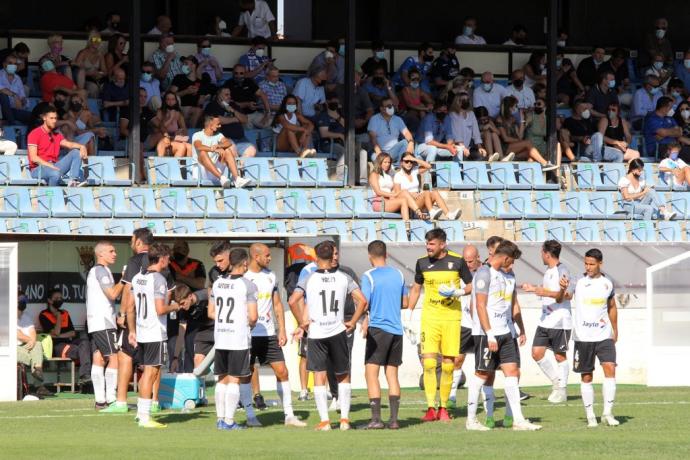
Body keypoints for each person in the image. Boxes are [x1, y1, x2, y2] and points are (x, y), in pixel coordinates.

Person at [291, 242, 368, 431]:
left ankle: (325, 421)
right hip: (338, 331)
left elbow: (293, 300)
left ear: (316, 257)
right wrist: (354, 320)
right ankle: (344, 420)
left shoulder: (309, 278)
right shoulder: (344, 278)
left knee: (320, 375)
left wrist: (302, 322)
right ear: (331, 257)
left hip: (317, 333)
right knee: (343, 374)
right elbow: (363, 301)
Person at [466, 240, 541, 431]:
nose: (513, 265)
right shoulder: (484, 273)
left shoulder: (509, 275)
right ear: (505, 257)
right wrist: (489, 334)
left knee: (512, 373)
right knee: (482, 374)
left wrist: (520, 328)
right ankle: (471, 420)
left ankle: (518, 420)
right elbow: (480, 305)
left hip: (507, 332)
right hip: (486, 333)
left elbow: (513, 304)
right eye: (512, 261)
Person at [102, 228, 175, 414]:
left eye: (132, 240)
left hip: (139, 325)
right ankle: (153, 403)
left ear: (140, 242)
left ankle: (122, 402)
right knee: (153, 368)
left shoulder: (136, 266)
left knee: (127, 356)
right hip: (156, 326)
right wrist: (173, 306)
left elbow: (129, 292)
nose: (131, 244)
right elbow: (169, 293)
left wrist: (124, 316)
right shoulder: (163, 272)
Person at [407, 228, 473, 423]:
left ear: (442, 244)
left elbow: (470, 285)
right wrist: (409, 313)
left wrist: (457, 293)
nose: (428, 247)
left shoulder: (457, 261)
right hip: (430, 318)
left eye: (432, 244)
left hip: (451, 318)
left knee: (448, 366)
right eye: (427, 243)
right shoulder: (422, 263)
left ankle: (443, 407)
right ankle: (430, 407)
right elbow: (417, 288)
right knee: (428, 363)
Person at [244, 243, 306, 427]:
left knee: (282, 371)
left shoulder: (271, 276)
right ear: (256, 256)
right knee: (245, 375)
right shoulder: (244, 277)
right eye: (267, 255)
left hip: (269, 333)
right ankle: (250, 415)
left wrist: (282, 330)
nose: (270, 258)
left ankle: (289, 415)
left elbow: (277, 304)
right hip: (248, 335)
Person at [130, 243, 183, 429]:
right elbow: (160, 309)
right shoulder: (159, 279)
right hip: (154, 331)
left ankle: (140, 413)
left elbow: (131, 306)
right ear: (161, 259)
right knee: (151, 373)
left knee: (147, 372)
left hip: (143, 330)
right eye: (168, 258)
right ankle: (144, 416)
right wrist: (175, 306)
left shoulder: (137, 278)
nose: (169, 261)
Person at [567, 249, 619, 427]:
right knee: (587, 377)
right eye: (586, 263)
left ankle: (607, 413)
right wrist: (561, 288)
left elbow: (611, 306)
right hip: (583, 337)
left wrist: (615, 329)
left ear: (600, 264)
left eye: (592, 264)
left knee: (610, 369)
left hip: (604, 335)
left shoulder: (608, 282)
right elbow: (564, 296)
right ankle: (590, 416)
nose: (588, 267)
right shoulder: (577, 281)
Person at [209, 247, 260, 430]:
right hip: (238, 338)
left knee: (221, 379)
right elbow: (253, 317)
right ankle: (230, 421)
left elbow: (211, 312)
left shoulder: (217, 283)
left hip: (221, 336)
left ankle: (220, 419)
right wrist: (244, 322)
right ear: (245, 263)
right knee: (234, 379)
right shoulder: (248, 285)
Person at [360, 240, 407, 430]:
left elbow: (364, 302)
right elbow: (404, 303)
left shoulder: (368, 276)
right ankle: (394, 420)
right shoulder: (399, 274)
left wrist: (364, 318)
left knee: (371, 373)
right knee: (392, 374)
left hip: (378, 329)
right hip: (397, 330)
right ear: (386, 255)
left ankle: (376, 419)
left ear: (370, 256)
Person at [521, 240, 573, 405]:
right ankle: (556, 383)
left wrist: (540, 291)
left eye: (541, 252)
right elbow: (551, 292)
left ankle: (562, 390)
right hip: (545, 320)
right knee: (536, 353)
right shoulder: (548, 271)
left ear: (547, 253)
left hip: (560, 321)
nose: (540, 255)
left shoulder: (562, 270)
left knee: (560, 356)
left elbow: (565, 295)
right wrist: (535, 288)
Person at [86, 241, 124, 410]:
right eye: (111, 251)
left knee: (99, 358)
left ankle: (100, 400)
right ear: (100, 254)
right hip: (103, 322)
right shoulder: (100, 270)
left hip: (96, 321)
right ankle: (111, 399)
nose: (114, 254)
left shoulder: (99, 270)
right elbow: (113, 293)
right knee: (113, 357)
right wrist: (125, 279)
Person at [447, 244, 481, 407]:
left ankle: (483, 394)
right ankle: (452, 395)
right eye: (465, 261)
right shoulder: (459, 274)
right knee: (458, 359)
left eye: (470, 261)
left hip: (482, 323)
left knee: (482, 361)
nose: (467, 264)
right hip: (465, 323)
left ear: (478, 258)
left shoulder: (485, 272)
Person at [38, 288, 92, 384]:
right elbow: (56, 332)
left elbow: (72, 333)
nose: (59, 300)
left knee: (85, 342)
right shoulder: (44, 314)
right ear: (50, 300)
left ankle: (85, 375)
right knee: (80, 350)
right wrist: (58, 317)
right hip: (57, 346)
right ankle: (85, 376)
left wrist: (58, 335)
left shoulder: (65, 313)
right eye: (56, 298)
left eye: (61, 298)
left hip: (69, 342)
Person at [27, 104, 87, 186]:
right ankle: (52, 195)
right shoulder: (35, 134)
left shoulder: (57, 135)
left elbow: (68, 144)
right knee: (55, 173)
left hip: (54, 166)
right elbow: (34, 158)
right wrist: (49, 165)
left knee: (76, 152)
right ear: (44, 118)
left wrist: (81, 146)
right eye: (51, 118)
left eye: (55, 118)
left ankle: (73, 181)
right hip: (38, 169)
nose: (54, 121)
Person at [395, 152, 461, 220]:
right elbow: (398, 194)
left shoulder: (414, 171)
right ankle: (431, 212)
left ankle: (449, 215)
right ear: (401, 163)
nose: (409, 163)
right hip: (410, 204)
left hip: (419, 199)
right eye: (406, 161)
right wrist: (411, 194)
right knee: (426, 190)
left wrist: (414, 159)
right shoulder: (398, 175)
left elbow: (429, 166)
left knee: (434, 192)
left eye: (411, 162)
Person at [192, 115, 251, 188]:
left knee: (227, 150)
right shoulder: (197, 135)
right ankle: (222, 178)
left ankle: (237, 179)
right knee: (202, 153)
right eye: (218, 124)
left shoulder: (219, 135)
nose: (220, 126)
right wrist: (215, 149)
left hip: (215, 170)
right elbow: (199, 147)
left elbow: (228, 143)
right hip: (201, 171)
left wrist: (219, 146)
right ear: (210, 124)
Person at [496, 96, 556, 169]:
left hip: (515, 146)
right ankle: (545, 163)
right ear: (509, 107)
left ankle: (529, 175)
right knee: (527, 143)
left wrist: (522, 119)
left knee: (531, 154)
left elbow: (520, 136)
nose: (516, 108)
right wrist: (521, 141)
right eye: (515, 106)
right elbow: (506, 139)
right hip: (505, 147)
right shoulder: (500, 119)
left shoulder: (513, 119)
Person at [369, 152, 427, 224]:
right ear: (379, 162)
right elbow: (378, 192)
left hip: (390, 201)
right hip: (380, 202)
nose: (387, 164)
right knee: (403, 200)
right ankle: (414, 217)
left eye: (389, 162)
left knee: (404, 193)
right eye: (385, 162)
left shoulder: (389, 174)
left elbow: (394, 189)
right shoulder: (374, 174)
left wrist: (395, 194)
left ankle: (412, 219)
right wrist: (394, 195)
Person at [204, 87, 258, 157]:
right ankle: (235, 167)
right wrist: (236, 119)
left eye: (229, 95)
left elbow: (245, 119)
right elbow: (218, 120)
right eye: (226, 95)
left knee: (251, 150)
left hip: (240, 139)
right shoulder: (212, 106)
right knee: (232, 149)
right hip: (223, 139)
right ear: (219, 96)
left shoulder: (233, 105)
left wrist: (233, 110)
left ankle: (240, 167)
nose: (229, 97)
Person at [17, 291, 51, 397]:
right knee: (34, 357)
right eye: (20, 300)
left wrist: (31, 340)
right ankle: (39, 386)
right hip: (12, 348)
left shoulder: (26, 316)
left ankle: (38, 368)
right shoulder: (6, 315)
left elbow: (33, 333)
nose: (23, 302)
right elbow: (17, 335)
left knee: (37, 344)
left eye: (24, 299)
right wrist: (30, 340)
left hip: (27, 346)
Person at [170, 55, 214, 128]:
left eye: (186, 64)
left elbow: (200, 103)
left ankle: (190, 132)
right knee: (196, 110)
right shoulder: (179, 78)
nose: (183, 66)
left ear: (193, 66)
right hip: (180, 108)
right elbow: (170, 95)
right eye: (183, 64)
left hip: (194, 110)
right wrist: (186, 91)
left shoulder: (200, 82)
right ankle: (190, 132)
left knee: (199, 110)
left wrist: (203, 97)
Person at [444, 92, 490, 161]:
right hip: (456, 147)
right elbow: (456, 135)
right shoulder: (452, 115)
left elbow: (476, 133)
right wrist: (463, 148)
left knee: (481, 156)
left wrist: (480, 147)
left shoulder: (471, 114)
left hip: (468, 147)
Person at [224, 64, 271, 129]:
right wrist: (247, 104)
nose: (238, 75)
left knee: (270, 123)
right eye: (236, 73)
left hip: (254, 114)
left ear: (245, 73)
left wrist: (267, 113)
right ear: (232, 73)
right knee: (248, 130)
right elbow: (228, 104)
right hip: (239, 116)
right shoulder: (228, 84)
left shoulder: (249, 81)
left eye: (241, 73)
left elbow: (263, 95)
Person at [151, 91, 192, 158]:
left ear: (176, 101)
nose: (170, 102)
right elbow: (160, 128)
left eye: (173, 99)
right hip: (162, 139)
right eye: (168, 99)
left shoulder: (178, 113)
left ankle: (185, 167)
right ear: (165, 101)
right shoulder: (160, 112)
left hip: (174, 139)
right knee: (181, 147)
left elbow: (184, 130)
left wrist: (180, 132)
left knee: (190, 147)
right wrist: (171, 118)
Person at [317, 92, 346, 179]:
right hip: (329, 143)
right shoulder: (323, 116)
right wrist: (339, 135)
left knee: (362, 152)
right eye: (333, 103)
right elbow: (324, 133)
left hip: (344, 142)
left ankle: (361, 179)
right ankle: (341, 178)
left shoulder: (340, 115)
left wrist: (337, 117)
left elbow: (348, 127)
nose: (335, 105)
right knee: (345, 152)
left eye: (336, 103)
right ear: (327, 103)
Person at [0, 53, 31, 125]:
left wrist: (23, 101)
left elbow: (22, 95)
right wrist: (14, 95)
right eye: (10, 63)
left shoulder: (18, 78)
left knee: (33, 117)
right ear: (4, 64)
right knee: (3, 96)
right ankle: (12, 123)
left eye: (15, 64)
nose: (12, 65)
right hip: (1, 110)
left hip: (14, 109)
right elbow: (1, 89)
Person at [400, 68, 433, 132]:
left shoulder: (420, 90)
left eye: (417, 79)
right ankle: (423, 130)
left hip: (416, 112)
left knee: (422, 107)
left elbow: (431, 101)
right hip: (404, 112)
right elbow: (409, 105)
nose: (415, 81)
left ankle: (424, 130)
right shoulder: (405, 89)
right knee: (421, 107)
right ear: (409, 79)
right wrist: (425, 108)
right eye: (413, 79)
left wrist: (430, 105)